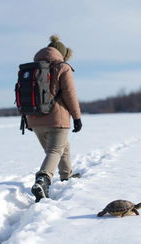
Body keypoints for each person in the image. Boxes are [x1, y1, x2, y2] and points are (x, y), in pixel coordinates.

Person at [28, 35, 82, 202]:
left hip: (34, 118)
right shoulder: (62, 67)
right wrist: (77, 117)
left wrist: (27, 118)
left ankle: (67, 176)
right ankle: (43, 179)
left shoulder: (32, 68)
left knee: (62, 147)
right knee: (55, 150)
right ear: (63, 54)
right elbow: (69, 94)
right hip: (57, 118)